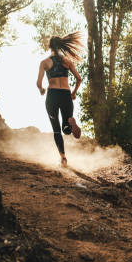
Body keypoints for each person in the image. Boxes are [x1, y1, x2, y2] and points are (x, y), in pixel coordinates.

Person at [36, 32, 83, 166]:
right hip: (66, 94)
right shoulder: (67, 62)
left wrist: (41, 90)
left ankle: (63, 158)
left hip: (53, 95)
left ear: (49, 46)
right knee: (66, 129)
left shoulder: (44, 63)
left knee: (57, 130)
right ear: (61, 46)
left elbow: (39, 83)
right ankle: (70, 121)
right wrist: (73, 93)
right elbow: (79, 79)